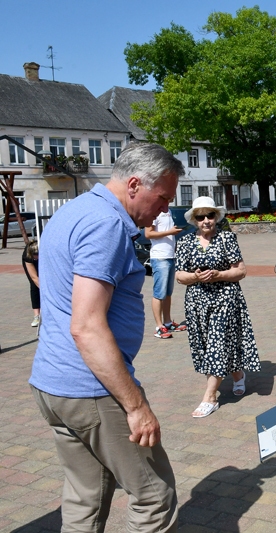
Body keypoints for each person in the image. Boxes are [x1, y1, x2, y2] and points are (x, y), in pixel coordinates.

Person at [29, 142, 183, 532]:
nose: (166, 208)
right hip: (91, 389)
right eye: (163, 197)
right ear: (134, 184)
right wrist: (134, 406)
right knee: (154, 496)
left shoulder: (75, 211)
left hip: (54, 383)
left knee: (85, 496)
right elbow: (86, 325)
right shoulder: (107, 224)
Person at [176, 196, 260, 418]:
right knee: (209, 345)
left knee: (218, 343)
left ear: (216, 217)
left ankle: (210, 397)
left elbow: (240, 271)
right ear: (194, 219)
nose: (205, 220)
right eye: (200, 216)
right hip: (196, 303)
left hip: (225, 299)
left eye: (210, 215)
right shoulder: (185, 242)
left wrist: (219, 275)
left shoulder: (226, 239)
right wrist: (195, 276)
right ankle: (237, 374)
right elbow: (179, 275)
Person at [146, 209, 186, 339]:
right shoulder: (153, 211)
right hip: (159, 257)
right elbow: (148, 233)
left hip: (170, 256)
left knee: (168, 293)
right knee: (159, 293)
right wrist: (170, 232)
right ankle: (159, 327)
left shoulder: (167, 210)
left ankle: (167, 323)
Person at [22, 240, 40, 327]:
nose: (36, 257)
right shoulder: (28, 256)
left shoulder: (45, 251)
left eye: (37, 254)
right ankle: (37, 316)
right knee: (34, 285)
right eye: (34, 256)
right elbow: (34, 278)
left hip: (45, 260)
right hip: (30, 264)